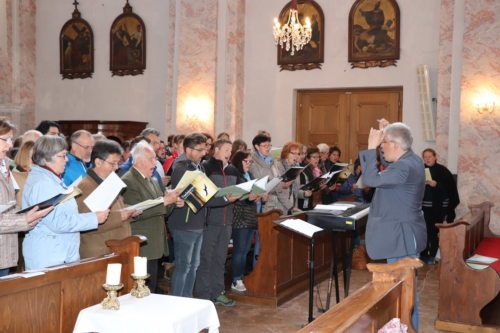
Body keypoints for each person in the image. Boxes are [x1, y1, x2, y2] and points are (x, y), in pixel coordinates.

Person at [359, 119, 426, 330]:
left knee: (402, 292)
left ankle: (405, 328)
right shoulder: (411, 159)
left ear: (396, 145)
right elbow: (392, 164)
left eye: (384, 142)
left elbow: (370, 179)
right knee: (405, 291)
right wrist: (390, 131)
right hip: (403, 234)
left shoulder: (404, 166)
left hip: (400, 236)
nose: (381, 146)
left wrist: (370, 149)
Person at [22, 135, 109, 270]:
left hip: (57, 252)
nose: (67, 160)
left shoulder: (50, 178)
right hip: (49, 255)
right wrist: (94, 218)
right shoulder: (43, 183)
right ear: (47, 157)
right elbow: (57, 223)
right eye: (62, 156)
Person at [121, 141, 183, 292]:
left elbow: (163, 211)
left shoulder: (153, 180)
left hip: (155, 242)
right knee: (141, 289)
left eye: (155, 158)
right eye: (151, 159)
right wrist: (165, 201)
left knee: (152, 286)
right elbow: (135, 213)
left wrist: (173, 202)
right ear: (138, 161)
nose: (155, 163)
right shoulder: (128, 180)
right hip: (142, 244)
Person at [0, 120, 52, 277]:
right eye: (5, 140)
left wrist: (29, 215)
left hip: (5, 253)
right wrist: (24, 219)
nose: (10, 146)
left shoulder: (4, 166)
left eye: (10, 139)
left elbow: (8, 206)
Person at [76, 140, 141, 259]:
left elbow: (116, 208)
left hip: (116, 248)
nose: (116, 168)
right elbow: (86, 223)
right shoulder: (85, 186)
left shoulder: (108, 181)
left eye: (118, 163)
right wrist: (121, 216)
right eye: (112, 163)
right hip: (99, 252)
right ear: (98, 162)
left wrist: (130, 211)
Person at [196, 139, 241, 306]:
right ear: (216, 150)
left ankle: (218, 292)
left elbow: (241, 189)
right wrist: (223, 198)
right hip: (209, 221)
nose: (229, 153)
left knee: (220, 259)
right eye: (226, 149)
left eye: (231, 150)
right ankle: (204, 296)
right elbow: (203, 196)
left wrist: (250, 195)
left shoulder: (233, 169)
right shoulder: (205, 168)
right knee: (206, 259)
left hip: (227, 221)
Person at [168, 133, 208, 298]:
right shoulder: (181, 168)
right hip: (184, 224)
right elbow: (188, 194)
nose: (203, 153)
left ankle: (188, 298)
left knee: (194, 265)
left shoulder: (200, 167)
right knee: (183, 265)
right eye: (199, 150)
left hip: (198, 222)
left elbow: (206, 192)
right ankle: (178, 300)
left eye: (204, 149)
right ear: (188, 150)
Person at [420, 148, 460, 264]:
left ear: (435, 157)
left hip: (437, 208)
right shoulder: (420, 170)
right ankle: (423, 254)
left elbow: (450, 189)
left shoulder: (443, 171)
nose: (427, 159)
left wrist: (436, 184)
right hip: (422, 207)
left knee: (433, 231)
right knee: (423, 231)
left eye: (429, 157)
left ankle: (432, 255)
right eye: (425, 157)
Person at [230, 151, 261, 293]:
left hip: (250, 216)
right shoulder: (236, 175)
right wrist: (249, 197)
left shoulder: (250, 175)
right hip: (240, 217)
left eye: (250, 161)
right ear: (238, 161)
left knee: (245, 250)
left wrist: (258, 194)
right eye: (246, 161)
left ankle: (241, 276)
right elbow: (234, 197)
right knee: (240, 251)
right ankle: (236, 279)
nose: (249, 164)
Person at [249, 133, 292, 214]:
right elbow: (259, 182)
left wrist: (289, 206)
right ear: (257, 146)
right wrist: (280, 184)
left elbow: (279, 179)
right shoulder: (252, 163)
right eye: (265, 146)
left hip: (278, 204)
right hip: (264, 204)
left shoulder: (274, 160)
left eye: (269, 145)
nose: (268, 148)